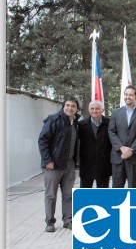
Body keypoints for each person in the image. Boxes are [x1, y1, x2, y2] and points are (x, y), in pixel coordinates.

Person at [38, 96, 80, 232]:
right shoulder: (54, 119)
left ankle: (68, 220)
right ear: (63, 107)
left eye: (73, 106)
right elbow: (42, 140)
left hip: (69, 165)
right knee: (51, 194)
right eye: (67, 105)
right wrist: (47, 160)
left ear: (76, 109)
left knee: (68, 194)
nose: (70, 108)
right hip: (53, 165)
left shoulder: (76, 122)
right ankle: (49, 222)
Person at [108, 85, 136, 188]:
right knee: (117, 190)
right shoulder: (115, 112)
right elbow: (111, 131)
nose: (128, 97)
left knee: (133, 188)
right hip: (118, 157)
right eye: (126, 94)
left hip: (134, 158)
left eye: (131, 95)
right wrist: (122, 148)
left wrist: (130, 150)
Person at [78, 100, 112, 188]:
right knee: (84, 195)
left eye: (97, 108)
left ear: (102, 110)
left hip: (104, 165)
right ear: (89, 110)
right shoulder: (81, 124)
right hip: (86, 165)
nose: (94, 111)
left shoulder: (110, 123)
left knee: (102, 195)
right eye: (92, 108)